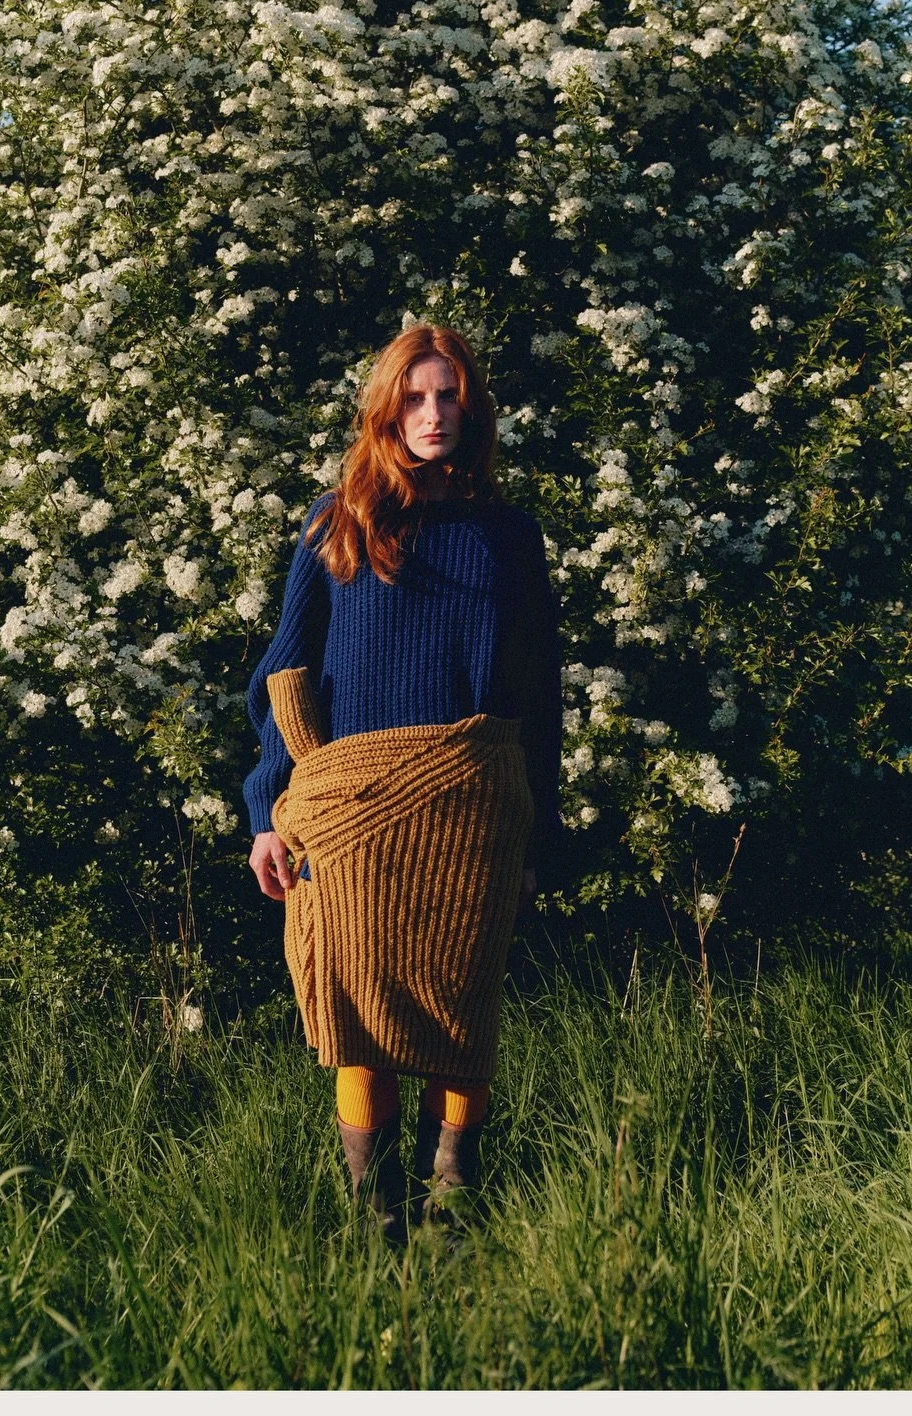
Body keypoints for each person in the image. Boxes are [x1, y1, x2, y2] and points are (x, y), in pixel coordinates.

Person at [243, 324, 563, 1242]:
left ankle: (452, 1195)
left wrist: (541, 837)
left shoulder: (509, 535)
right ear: (387, 409)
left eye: (450, 395)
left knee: (463, 1009)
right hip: (350, 816)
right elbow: (284, 669)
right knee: (360, 1007)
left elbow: (538, 694)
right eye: (416, 397)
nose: (434, 414)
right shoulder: (337, 520)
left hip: (476, 810)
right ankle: (369, 1208)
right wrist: (269, 808)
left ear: (474, 405)